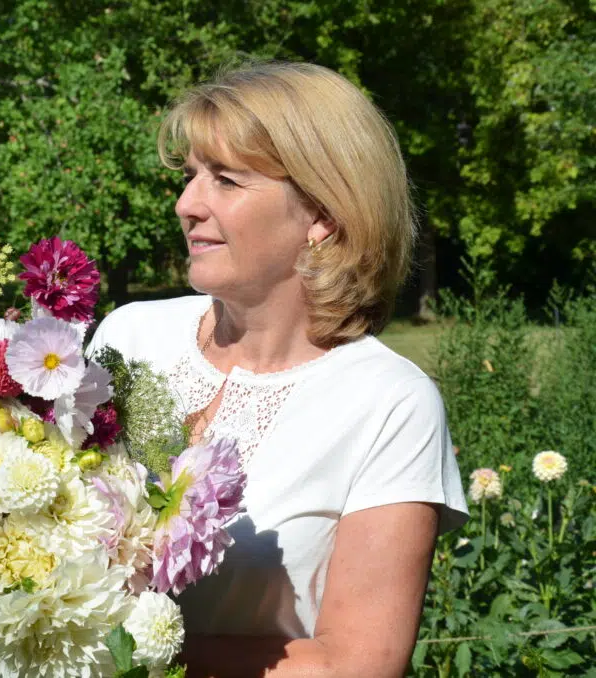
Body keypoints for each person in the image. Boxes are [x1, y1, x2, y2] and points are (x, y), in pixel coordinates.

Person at [87, 61, 469, 677]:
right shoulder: (128, 336)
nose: (186, 204)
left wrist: (119, 658)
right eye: (190, 177)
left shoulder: (390, 402)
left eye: (226, 180)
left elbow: (357, 665)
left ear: (322, 214)